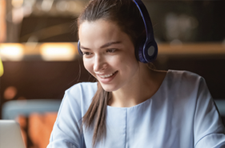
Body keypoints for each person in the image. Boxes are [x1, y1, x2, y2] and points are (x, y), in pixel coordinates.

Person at [47, 0, 225, 147]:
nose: (97, 66)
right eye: (88, 53)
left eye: (111, 50)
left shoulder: (189, 89)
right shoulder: (77, 99)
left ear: (143, 46)